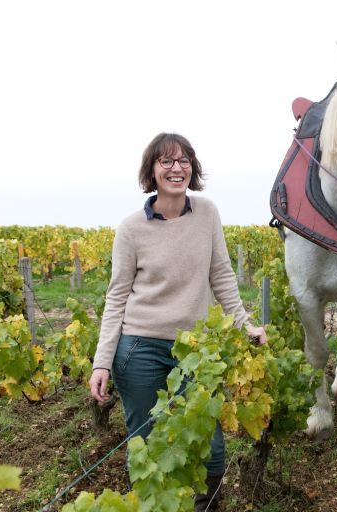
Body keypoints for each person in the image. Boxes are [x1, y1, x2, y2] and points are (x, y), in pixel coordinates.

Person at [88, 133, 267, 511]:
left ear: (193, 168)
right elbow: (117, 296)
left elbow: (222, 277)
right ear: (151, 171)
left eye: (184, 160)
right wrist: (102, 361)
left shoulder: (207, 213)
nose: (176, 168)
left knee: (210, 445)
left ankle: (204, 505)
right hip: (139, 349)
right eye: (166, 161)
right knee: (148, 443)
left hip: (197, 352)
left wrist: (244, 325)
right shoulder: (131, 228)